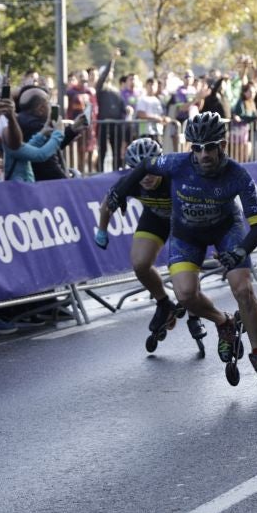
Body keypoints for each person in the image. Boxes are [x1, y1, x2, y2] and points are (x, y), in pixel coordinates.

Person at [98, 113, 257, 398]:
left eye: (210, 147)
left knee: (243, 289)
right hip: (186, 235)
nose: (203, 154)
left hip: (226, 230)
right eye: (197, 148)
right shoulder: (177, 163)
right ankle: (224, 322)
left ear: (222, 145)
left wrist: (240, 252)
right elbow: (145, 165)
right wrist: (120, 191)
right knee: (185, 295)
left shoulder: (238, 175)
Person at [95, 137, 206, 355]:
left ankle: (195, 314)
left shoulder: (174, 176)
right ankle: (164, 303)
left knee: (184, 267)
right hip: (155, 219)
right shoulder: (131, 181)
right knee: (140, 264)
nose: (145, 177)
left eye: (150, 171)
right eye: (139, 172)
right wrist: (102, 230)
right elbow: (107, 204)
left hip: (184, 221)